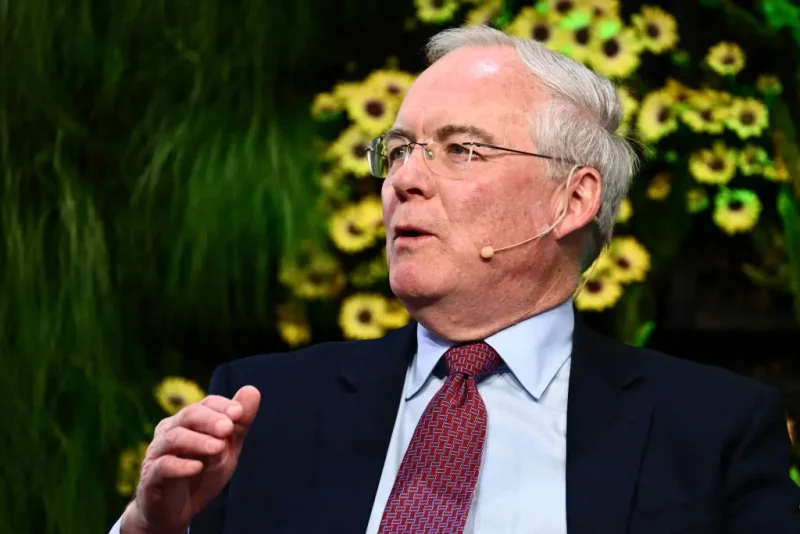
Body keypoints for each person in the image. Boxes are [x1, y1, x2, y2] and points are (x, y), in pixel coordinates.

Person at [110, 25, 800, 534]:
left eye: (461, 149)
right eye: (400, 149)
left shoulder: (716, 431)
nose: (404, 179)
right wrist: (149, 526)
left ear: (573, 200)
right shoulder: (262, 412)